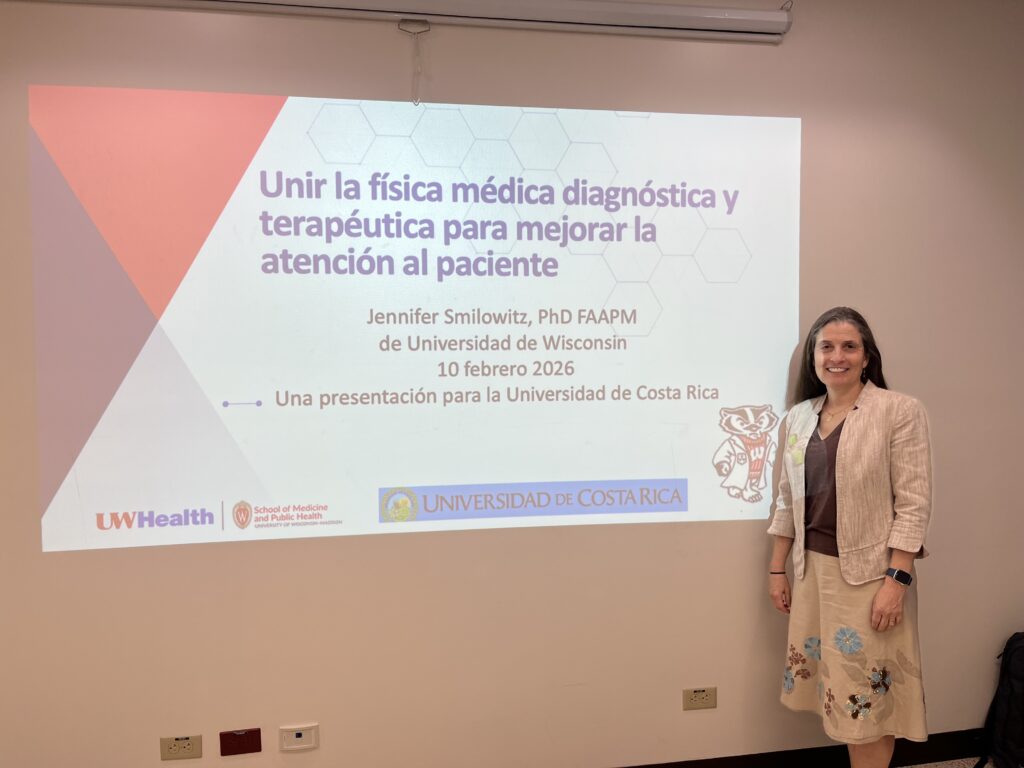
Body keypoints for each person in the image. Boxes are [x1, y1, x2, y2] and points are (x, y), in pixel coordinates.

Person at [767, 307, 932, 768]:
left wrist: (896, 581)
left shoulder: (898, 411)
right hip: (811, 575)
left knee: (867, 705)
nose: (836, 356)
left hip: (869, 581)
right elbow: (785, 501)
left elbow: (914, 505)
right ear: (813, 358)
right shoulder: (797, 419)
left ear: (866, 357)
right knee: (839, 695)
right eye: (826, 346)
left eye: (849, 346)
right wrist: (777, 568)